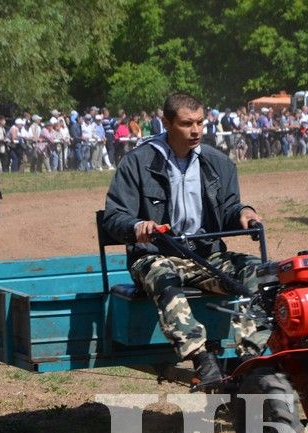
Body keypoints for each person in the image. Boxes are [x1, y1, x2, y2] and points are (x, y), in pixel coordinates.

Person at [101, 92, 264, 387]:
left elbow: (228, 207)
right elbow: (113, 217)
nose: (197, 130)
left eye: (201, 122)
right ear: (166, 123)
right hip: (155, 255)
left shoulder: (218, 163)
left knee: (263, 274)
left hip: (206, 256)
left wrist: (244, 212)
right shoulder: (138, 163)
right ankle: (202, 360)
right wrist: (137, 225)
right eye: (187, 123)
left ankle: (249, 361)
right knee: (163, 277)